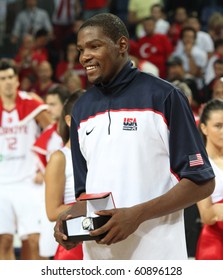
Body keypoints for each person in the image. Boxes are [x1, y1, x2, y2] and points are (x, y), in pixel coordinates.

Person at [54, 13, 215, 260]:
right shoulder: (81, 109)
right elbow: (85, 194)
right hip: (99, 259)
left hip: (156, 256)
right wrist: (69, 219)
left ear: (121, 45)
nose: (84, 56)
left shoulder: (164, 97)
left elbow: (201, 182)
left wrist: (136, 215)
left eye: (94, 46)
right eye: (80, 49)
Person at [0, 58, 51, 259]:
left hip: (29, 182)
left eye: (11, 77)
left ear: (18, 80)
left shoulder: (32, 103)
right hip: (2, 184)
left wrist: (43, 168)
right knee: (3, 241)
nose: (8, 82)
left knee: (33, 242)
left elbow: (54, 133)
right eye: (3, 78)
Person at [45, 90, 84, 260]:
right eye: (86, 115)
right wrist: (93, 205)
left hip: (101, 240)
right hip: (73, 244)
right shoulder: (59, 157)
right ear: (69, 121)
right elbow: (52, 211)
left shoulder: (101, 154)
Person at [32, 85, 70, 259]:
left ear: (65, 106)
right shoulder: (46, 135)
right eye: (47, 104)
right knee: (49, 251)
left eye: (53, 104)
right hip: (51, 200)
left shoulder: (76, 132)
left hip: (71, 199)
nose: (48, 109)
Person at [196, 98, 223, 260]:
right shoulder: (200, 164)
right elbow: (206, 215)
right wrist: (217, 210)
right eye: (218, 126)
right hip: (214, 242)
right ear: (204, 128)